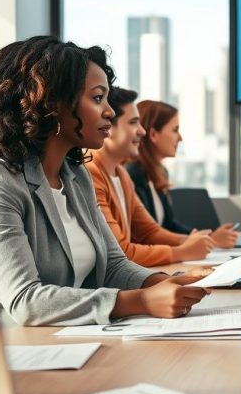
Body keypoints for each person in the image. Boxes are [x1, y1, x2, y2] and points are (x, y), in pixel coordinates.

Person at [0, 36, 211, 326]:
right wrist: (142, 300)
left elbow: (112, 266)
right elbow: (26, 302)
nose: (109, 111)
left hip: (52, 344)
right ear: (51, 103)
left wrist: (164, 283)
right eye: (97, 98)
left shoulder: (74, 176)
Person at [86, 87, 225, 267]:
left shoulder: (121, 175)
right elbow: (120, 252)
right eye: (134, 122)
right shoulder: (91, 174)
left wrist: (194, 242)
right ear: (108, 126)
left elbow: (149, 231)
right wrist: (182, 251)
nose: (142, 131)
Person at [126, 99, 238, 243]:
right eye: (175, 130)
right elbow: (148, 236)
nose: (180, 138)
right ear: (153, 134)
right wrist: (210, 240)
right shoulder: (133, 175)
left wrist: (206, 237)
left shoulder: (159, 173)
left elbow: (169, 226)